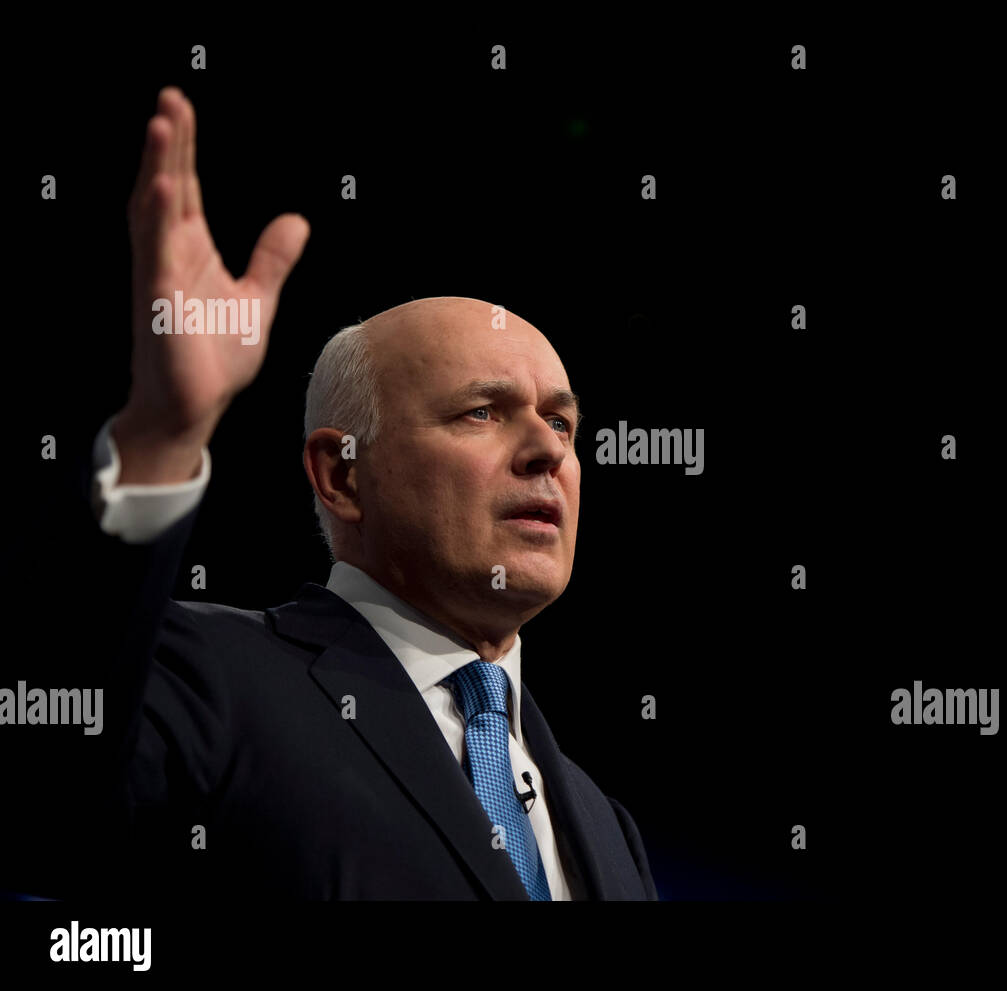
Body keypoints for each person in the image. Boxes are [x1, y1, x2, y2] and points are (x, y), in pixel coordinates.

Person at [78, 86, 656, 900]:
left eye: (563, 423)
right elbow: (47, 803)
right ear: (342, 473)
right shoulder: (210, 681)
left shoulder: (604, 824)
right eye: (482, 412)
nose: (545, 451)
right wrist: (162, 434)